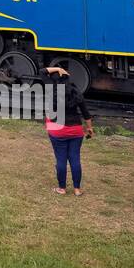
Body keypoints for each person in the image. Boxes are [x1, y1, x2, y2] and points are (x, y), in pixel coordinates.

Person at [42, 66, 93, 194]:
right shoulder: (76, 92)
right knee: (75, 158)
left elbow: (42, 72)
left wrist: (57, 68)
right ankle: (77, 189)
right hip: (76, 130)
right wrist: (89, 128)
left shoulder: (51, 90)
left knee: (61, 159)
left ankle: (62, 188)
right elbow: (85, 113)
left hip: (57, 130)